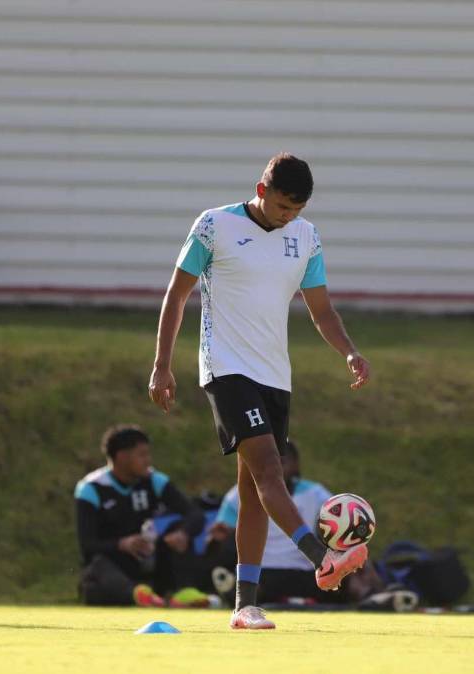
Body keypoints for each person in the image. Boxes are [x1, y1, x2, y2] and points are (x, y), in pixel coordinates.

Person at [148, 152, 372, 630]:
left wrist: (349, 351)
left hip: (275, 374)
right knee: (272, 469)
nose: (289, 217)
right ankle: (322, 558)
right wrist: (161, 366)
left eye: (297, 210)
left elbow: (322, 311)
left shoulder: (306, 237)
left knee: (253, 491)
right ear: (262, 189)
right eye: (283, 207)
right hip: (226, 368)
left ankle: (244, 606)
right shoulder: (214, 226)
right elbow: (178, 293)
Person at [207, 440, 378, 605]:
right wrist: (218, 538)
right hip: (262, 573)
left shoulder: (316, 494)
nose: (278, 466)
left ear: (295, 464)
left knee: (341, 579)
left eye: (282, 460)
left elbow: (342, 530)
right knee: (239, 573)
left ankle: (374, 597)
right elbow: (216, 540)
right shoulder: (239, 494)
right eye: (272, 460)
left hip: (309, 573)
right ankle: (240, 594)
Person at [74, 425, 206, 607]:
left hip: (146, 560)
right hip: (114, 567)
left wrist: (183, 533)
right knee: (96, 567)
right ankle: (136, 594)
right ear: (121, 457)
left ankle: (181, 592)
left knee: (177, 528)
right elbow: (87, 545)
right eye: (142, 455)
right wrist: (122, 544)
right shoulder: (92, 488)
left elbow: (195, 513)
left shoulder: (153, 480)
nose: (148, 461)